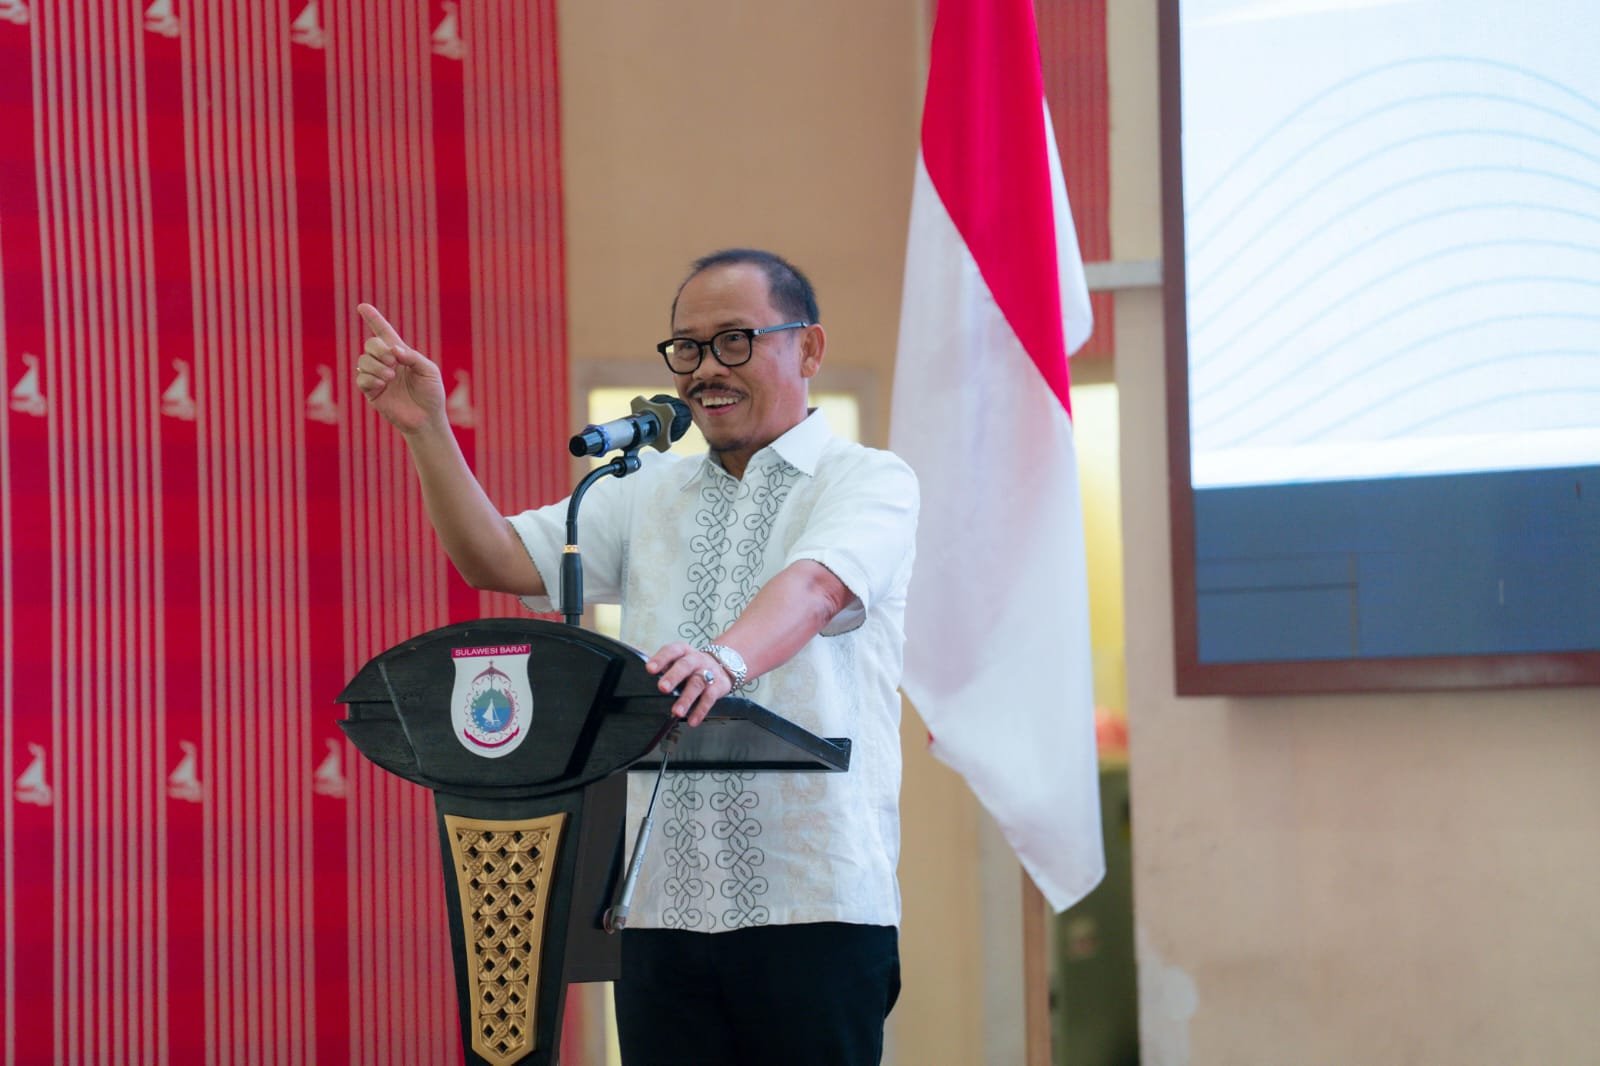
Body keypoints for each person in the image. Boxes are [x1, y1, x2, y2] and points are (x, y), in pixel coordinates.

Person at [355, 249, 918, 1065]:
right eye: (687, 348)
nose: (705, 368)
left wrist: (722, 663)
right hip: (657, 906)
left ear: (809, 347)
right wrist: (427, 431)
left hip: (814, 901)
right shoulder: (645, 491)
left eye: (735, 340)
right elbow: (496, 558)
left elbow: (818, 587)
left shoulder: (866, 479)